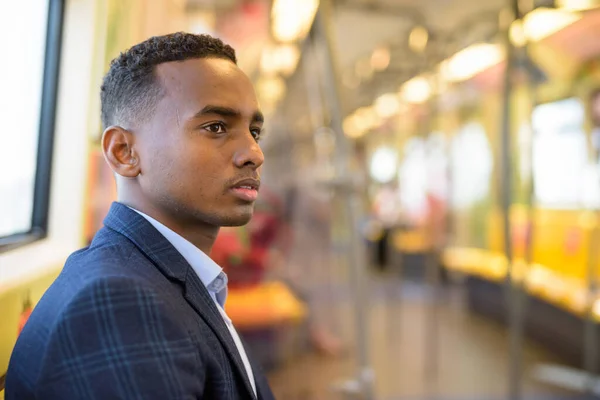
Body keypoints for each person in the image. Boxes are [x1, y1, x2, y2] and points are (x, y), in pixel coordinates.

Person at [6, 32, 275, 400]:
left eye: (254, 131)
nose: (254, 153)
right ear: (124, 152)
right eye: (216, 127)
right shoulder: (119, 304)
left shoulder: (156, 276)